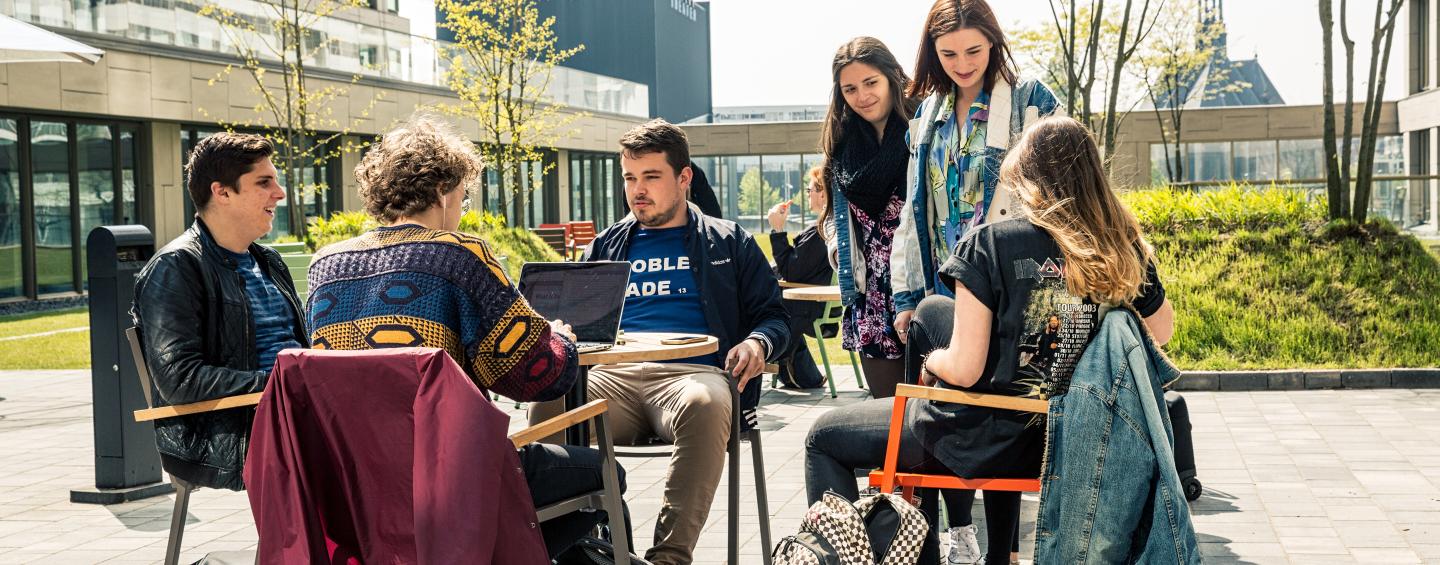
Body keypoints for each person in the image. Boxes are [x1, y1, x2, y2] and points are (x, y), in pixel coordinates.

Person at [807, 116, 1174, 565]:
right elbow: (1158, 335)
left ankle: (911, 542)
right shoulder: (1124, 250)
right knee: (931, 312)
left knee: (822, 436)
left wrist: (932, 360)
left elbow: (966, 369)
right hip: (1069, 439)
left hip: (981, 439)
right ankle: (996, 550)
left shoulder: (990, 244)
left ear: (1028, 180)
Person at [304, 115, 625, 559]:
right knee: (608, 472)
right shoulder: (459, 255)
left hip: (356, 484)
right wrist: (560, 339)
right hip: (454, 479)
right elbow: (538, 377)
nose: (463, 207)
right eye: (463, 194)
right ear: (441, 190)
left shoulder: (324, 266)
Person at [532, 118, 789, 565]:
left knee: (706, 402)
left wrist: (757, 344)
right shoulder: (608, 244)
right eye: (630, 178)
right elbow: (572, 324)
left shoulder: (729, 241)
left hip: (694, 376)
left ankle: (668, 559)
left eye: (651, 176)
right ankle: (574, 550)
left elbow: (775, 317)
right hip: (614, 380)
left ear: (683, 177)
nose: (638, 190)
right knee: (550, 395)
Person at [889, 1, 1063, 560]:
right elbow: (916, 209)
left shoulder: (1032, 99)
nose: (962, 63)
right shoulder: (928, 113)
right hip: (947, 280)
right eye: (948, 53)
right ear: (931, 54)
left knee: (1000, 405)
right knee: (952, 403)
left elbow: (1059, 190)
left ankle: (1004, 548)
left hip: (1013, 283)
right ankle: (958, 532)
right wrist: (908, 294)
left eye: (973, 49)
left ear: (993, 41)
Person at [131, 132, 308, 491]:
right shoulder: (176, 267)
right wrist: (282, 383)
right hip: (231, 429)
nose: (280, 193)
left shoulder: (268, 261)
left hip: (292, 409)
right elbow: (180, 379)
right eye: (264, 182)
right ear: (222, 192)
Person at [820, 36, 917, 400]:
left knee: (936, 419)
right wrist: (838, 251)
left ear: (892, 77)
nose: (862, 96)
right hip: (871, 296)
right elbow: (834, 215)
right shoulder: (843, 144)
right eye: (850, 89)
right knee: (886, 419)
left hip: (923, 289)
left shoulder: (923, 132)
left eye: (870, 83)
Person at [765, 165, 836, 389]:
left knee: (749, 302)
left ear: (823, 193)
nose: (807, 194)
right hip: (805, 303)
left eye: (810, 189)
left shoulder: (822, 231)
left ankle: (771, 358)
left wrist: (777, 230)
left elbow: (791, 270)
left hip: (805, 305)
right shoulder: (826, 227)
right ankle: (797, 370)